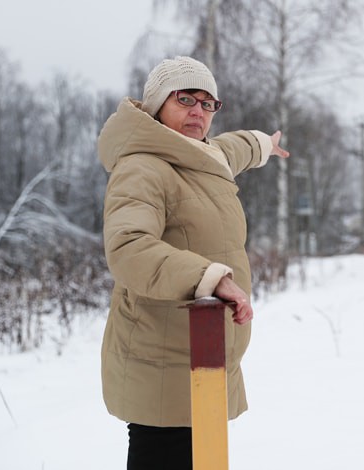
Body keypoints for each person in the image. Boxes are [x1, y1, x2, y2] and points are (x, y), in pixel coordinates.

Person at [97, 56, 289, 470]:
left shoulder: (205, 156)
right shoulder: (143, 166)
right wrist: (210, 278)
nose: (198, 112)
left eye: (208, 104)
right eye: (185, 99)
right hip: (161, 363)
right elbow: (129, 247)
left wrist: (264, 145)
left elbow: (234, 148)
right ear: (156, 105)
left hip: (203, 355)